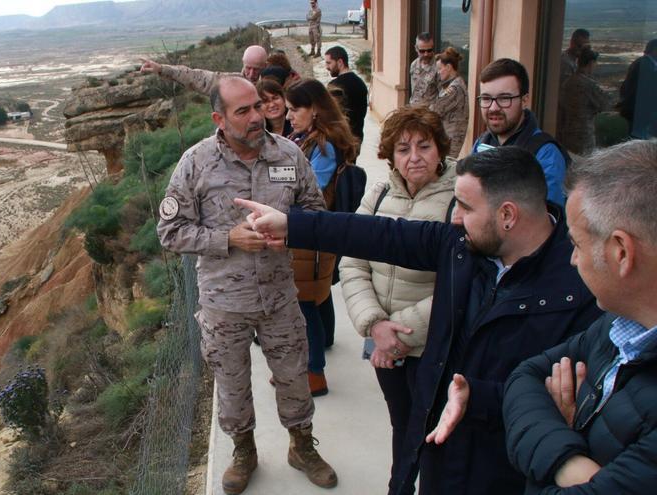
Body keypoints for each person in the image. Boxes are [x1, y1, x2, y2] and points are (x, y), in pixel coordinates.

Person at [235, 145, 603, 495]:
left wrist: (478, 400)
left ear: (507, 215)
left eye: (465, 207)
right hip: (440, 447)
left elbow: (568, 398)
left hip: (505, 467)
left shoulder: (584, 291)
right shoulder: (462, 246)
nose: (455, 217)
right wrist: (291, 225)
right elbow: (379, 235)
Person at [156, 76, 337, 494]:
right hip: (224, 303)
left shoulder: (289, 154)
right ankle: (244, 451)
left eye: (258, 106)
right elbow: (170, 232)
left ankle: (301, 446)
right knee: (232, 385)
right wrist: (226, 239)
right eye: (244, 111)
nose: (257, 116)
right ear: (219, 118)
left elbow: (317, 214)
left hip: (279, 297)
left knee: (294, 377)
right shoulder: (196, 163)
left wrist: (291, 231)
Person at [504, 139, 657, 494]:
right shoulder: (620, 324)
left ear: (621, 252)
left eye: (576, 244)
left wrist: (570, 431)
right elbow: (525, 377)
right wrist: (571, 459)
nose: (572, 259)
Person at [339, 106, 457, 495]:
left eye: (424, 145)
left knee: (435, 429)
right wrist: (374, 324)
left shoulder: (460, 200)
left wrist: (399, 333)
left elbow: (460, 282)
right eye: (403, 149)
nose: (414, 157)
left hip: (432, 345)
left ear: (441, 149)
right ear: (390, 155)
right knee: (402, 423)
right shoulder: (380, 192)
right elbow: (352, 260)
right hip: (383, 341)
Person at [285, 78, 358, 396]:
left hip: (312, 234)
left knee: (305, 302)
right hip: (315, 234)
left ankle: (314, 373)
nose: (289, 116)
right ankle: (324, 342)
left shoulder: (323, 145)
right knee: (319, 293)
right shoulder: (311, 138)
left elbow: (310, 189)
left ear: (314, 109)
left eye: (294, 109)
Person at [471, 58, 570, 207]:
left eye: (504, 98)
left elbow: (548, 219)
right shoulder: (482, 143)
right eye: (486, 98)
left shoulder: (545, 154)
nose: (493, 108)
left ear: (524, 101)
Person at [139, 45, 268, 95]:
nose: (251, 74)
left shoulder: (274, 85)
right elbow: (195, 77)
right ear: (243, 63)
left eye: (256, 70)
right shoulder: (231, 82)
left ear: (265, 67)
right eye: (248, 68)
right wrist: (162, 69)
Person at [557, 47, 611, 155]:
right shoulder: (589, 85)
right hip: (584, 134)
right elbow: (605, 105)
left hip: (567, 132)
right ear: (591, 63)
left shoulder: (567, 82)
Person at [325, 45, 368, 149]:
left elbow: (330, 115)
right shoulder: (360, 83)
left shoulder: (335, 86)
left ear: (340, 62)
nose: (326, 67)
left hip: (340, 141)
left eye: (329, 63)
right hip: (357, 139)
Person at [429, 47, 468, 158]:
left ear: (449, 67)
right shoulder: (452, 84)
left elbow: (434, 111)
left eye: (440, 68)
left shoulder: (454, 89)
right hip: (447, 137)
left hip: (450, 139)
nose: (438, 72)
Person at [617, 39, 657, 139]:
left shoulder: (641, 63)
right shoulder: (647, 66)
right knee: (639, 143)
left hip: (634, 112)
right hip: (639, 114)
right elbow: (650, 92)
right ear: (655, 50)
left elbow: (624, 88)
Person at [409, 32, 438, 106]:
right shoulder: (414, 64)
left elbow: (443, 95)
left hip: (429, 113)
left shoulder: (439, 66)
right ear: (416, 48)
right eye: (422, 51)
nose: (426, 54)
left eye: (429, 50)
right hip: (414, 110)